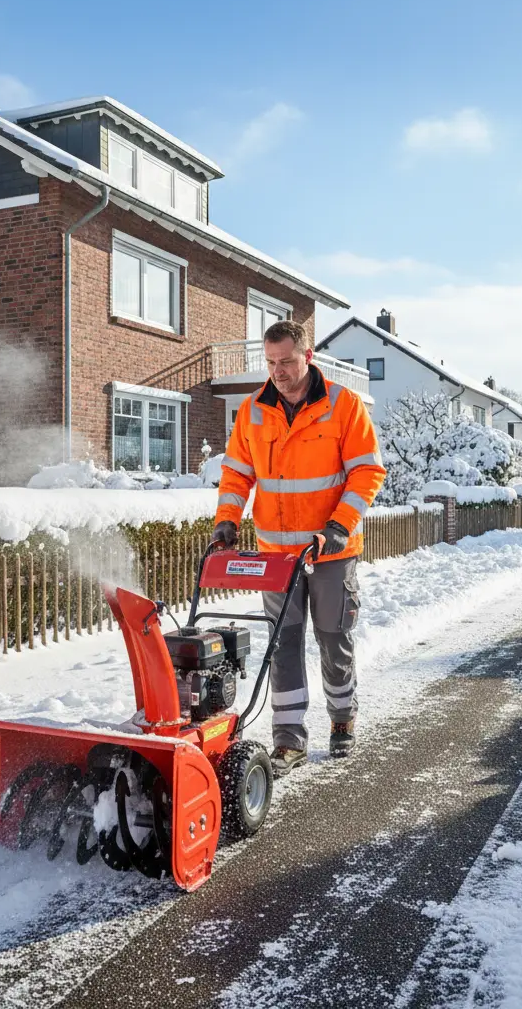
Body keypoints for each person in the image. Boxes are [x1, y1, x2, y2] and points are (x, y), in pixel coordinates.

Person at [212, 320, 386, 776]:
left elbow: (367, 472)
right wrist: (227, 519)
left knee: (333, 637)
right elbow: (236, 474)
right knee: (283, 643)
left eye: (287, 361)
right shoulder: (252, 410)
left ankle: (342, 717)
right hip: (277, 555)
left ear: (307, 356)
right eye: (271, 362)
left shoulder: (342, 404)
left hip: (330, 550)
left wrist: (339, 525)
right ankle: (288, 740)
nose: (278, 371)